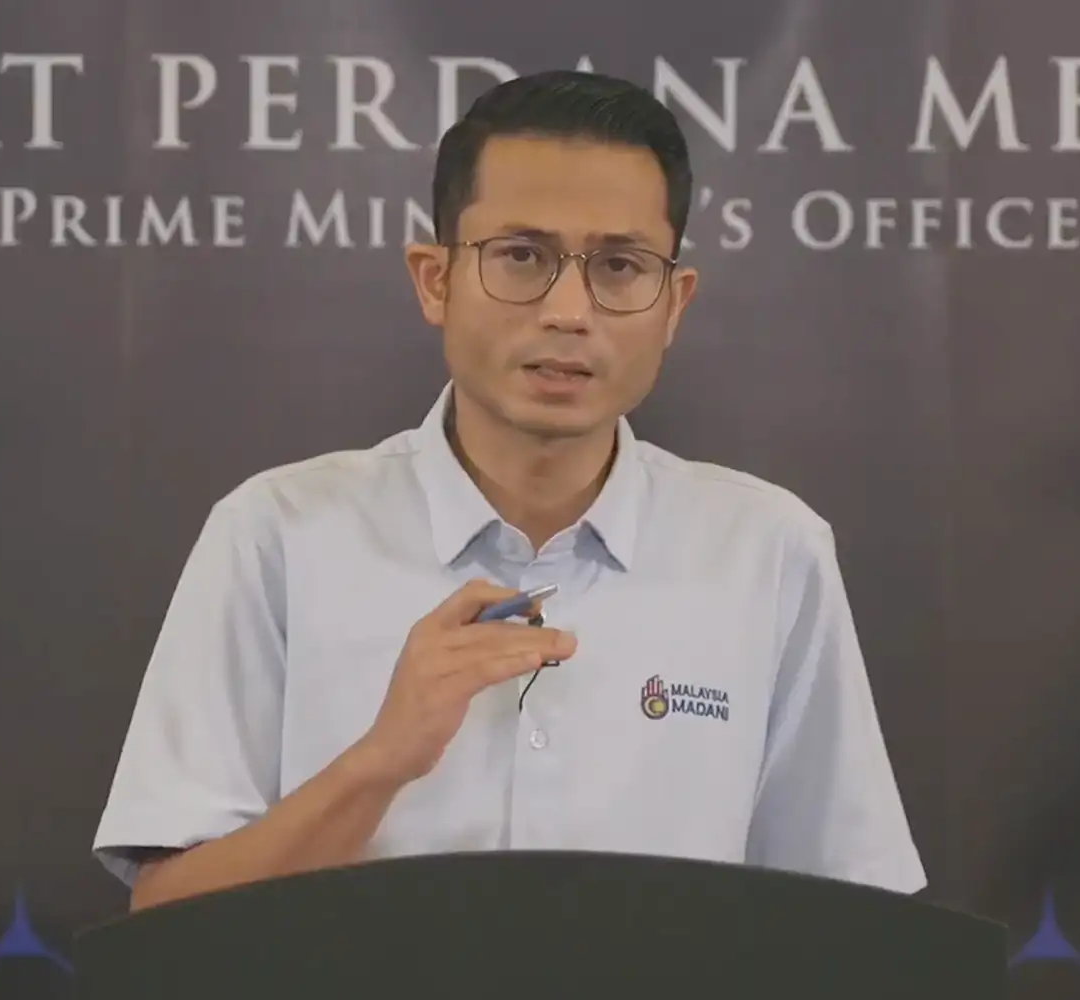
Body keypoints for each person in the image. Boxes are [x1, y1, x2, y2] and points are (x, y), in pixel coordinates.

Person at [92, 69, 926, 911]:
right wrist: (381, 762)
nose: (569, 311)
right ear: (435, 280)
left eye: (620, 265)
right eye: (522, 257)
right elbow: (168, 924)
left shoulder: (769, 551)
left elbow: (854, 924)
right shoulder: (278, 534)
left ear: (674, 305)